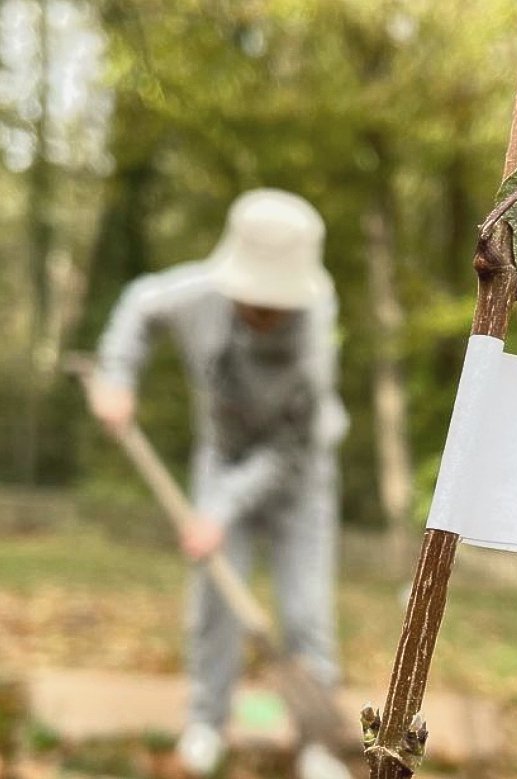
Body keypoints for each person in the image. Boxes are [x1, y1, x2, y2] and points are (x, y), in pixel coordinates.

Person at [89, 189, 350, 779]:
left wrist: (220, 510)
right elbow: (137, 306)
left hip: (300, 473)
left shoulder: (313, 333)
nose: (261, 312)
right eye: (252, 300)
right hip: (221, 457)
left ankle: (317, 743)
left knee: (306, 608)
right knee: (213, 604)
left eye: (272, 304)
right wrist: (116, 374)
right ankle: (206, 721)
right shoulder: (198, 293)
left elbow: (292, 448)